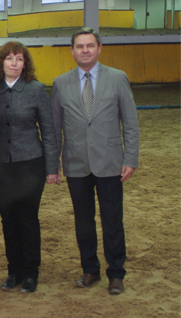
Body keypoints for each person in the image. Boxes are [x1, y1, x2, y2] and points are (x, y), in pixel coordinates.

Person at [51, 28, 139, 295]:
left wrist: (130, 158)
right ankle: (90, 269)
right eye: (80, 46)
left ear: (99, 48)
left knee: (113, 220)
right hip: (76, 163)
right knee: (83, 221)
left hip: (111, 161)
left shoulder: (118, 78)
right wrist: (53, 163)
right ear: (72, 51)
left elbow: (131, 123)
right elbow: (55, 128)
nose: (85, 50)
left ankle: (116, 273)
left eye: (90, 45)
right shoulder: (60, 83)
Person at [0, 41, 59, 294]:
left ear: (25, 62)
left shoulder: (37, 89)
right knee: (7, 219)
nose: (14, 64)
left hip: (31, 165)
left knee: (28, 219)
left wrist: (52, 168)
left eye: (19, 59)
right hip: (1, 166)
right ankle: (13, 271)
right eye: (9, 59)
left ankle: (31, 273)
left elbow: (49, 131)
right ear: (1, 63)